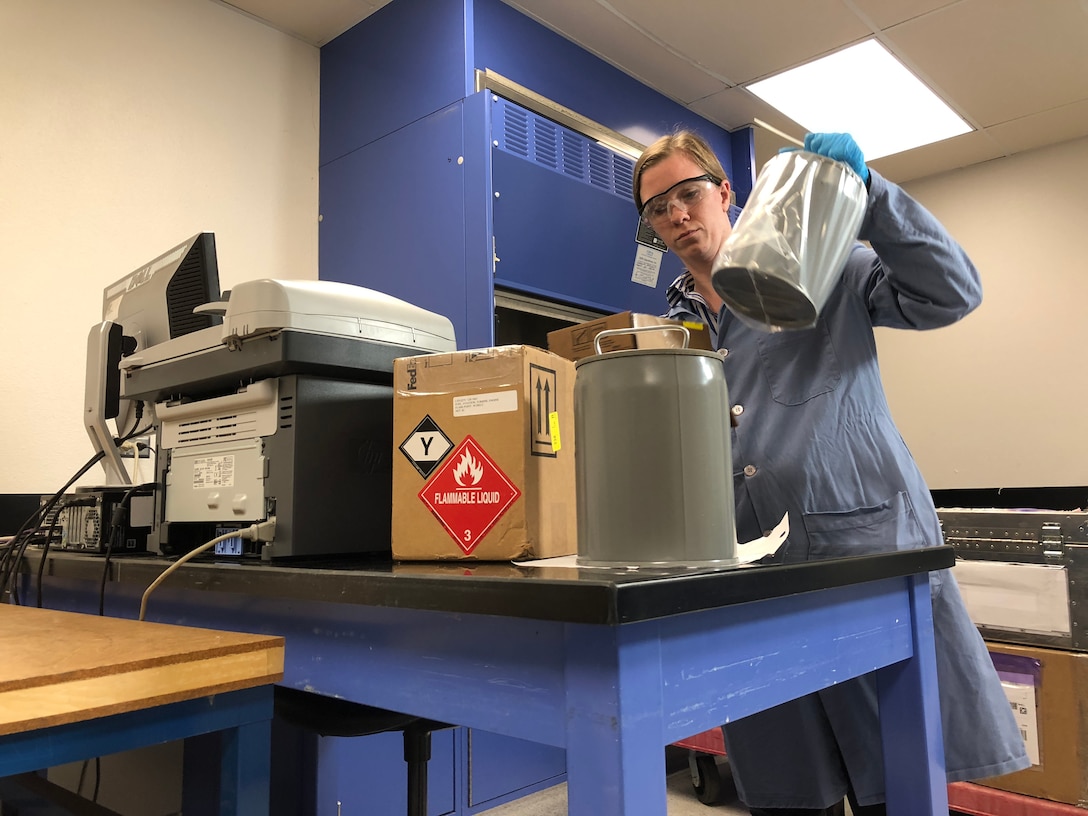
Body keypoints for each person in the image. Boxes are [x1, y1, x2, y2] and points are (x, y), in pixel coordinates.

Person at [632, 130, 1029, 815]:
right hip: (750, 582)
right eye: (656, 209)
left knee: (894, 782)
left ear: (726, 192)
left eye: (688, 193)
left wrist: (868, 196)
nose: (677, 216)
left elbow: (951, 292)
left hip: (860, 555)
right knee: (789, 793)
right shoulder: (670, 329)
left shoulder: (820, 268)